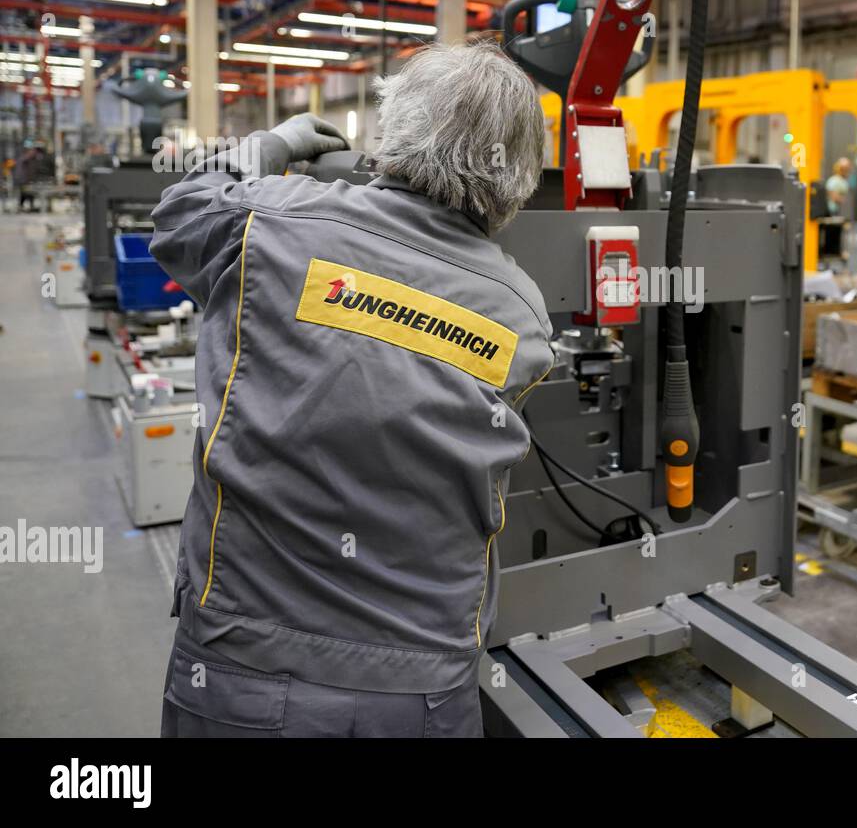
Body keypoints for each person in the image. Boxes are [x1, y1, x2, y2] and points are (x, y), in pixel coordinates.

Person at [150, 41, 555, 737]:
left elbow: (178, 210)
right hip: (424, 695)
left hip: (240, 674)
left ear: (391, 131)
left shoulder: (267, 222)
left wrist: (272, 145)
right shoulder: (522, 315)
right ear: (519, 176)